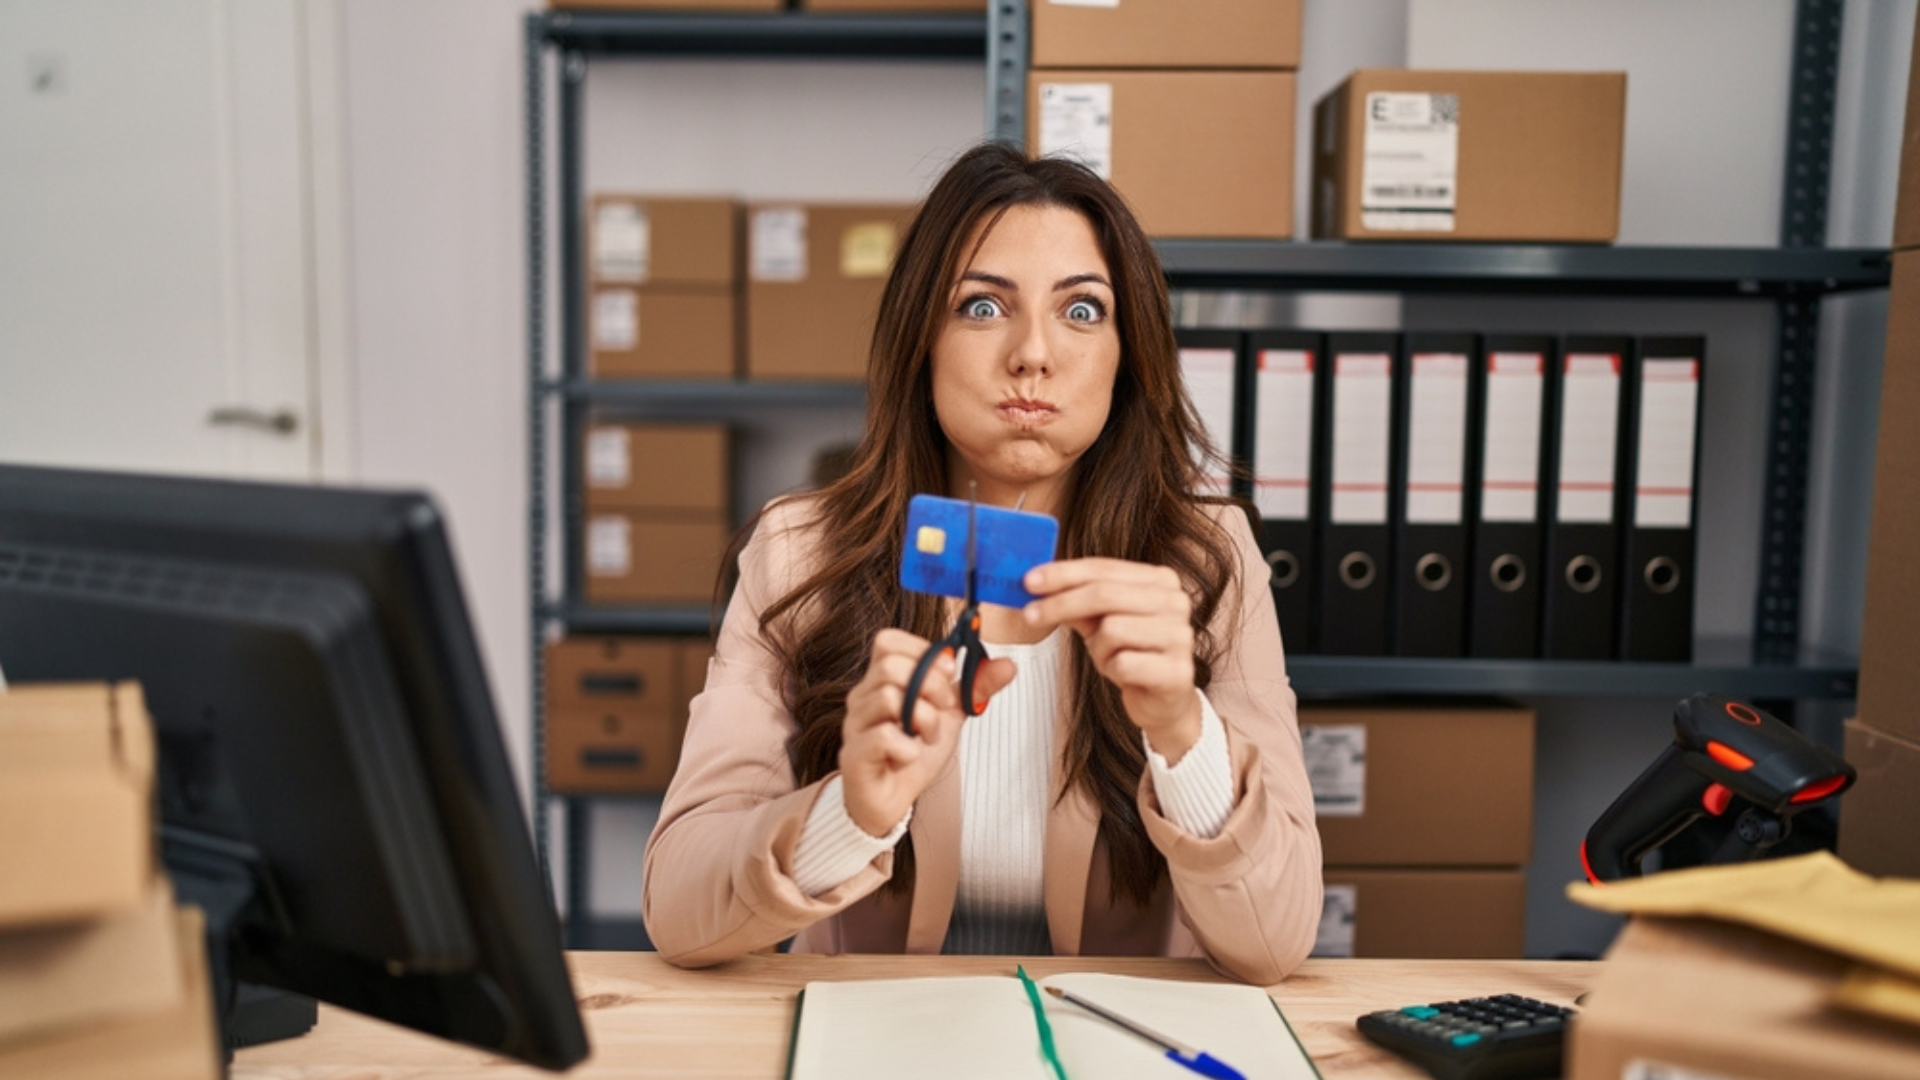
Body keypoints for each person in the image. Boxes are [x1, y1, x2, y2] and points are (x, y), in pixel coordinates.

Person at [641, 142, 1321, 985]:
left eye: (1081, 312)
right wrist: (847, 814)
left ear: (1129, 354)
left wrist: (1184, 731)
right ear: (919, 339)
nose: (1032, 353)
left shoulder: (1206, 563)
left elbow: (1278, 939)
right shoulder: (801, 552)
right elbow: (677, 910)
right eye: (981, 307)